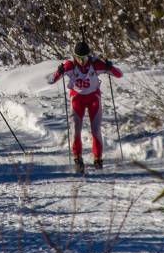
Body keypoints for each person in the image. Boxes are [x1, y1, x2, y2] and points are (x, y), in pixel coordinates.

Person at [47, 40, 122, 172]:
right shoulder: (70, 65)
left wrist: (110, 67)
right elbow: (51, 80)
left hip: (93, 98)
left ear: (89, 56)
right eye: (79, 58)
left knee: (96, 130)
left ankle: (98, 159)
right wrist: (59, 72)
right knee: (76, 129)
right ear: (74, 56)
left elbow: (119, 74)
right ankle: (78, 159)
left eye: (85, 58)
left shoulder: (95, 63)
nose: (82, 61)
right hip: (77, 99)